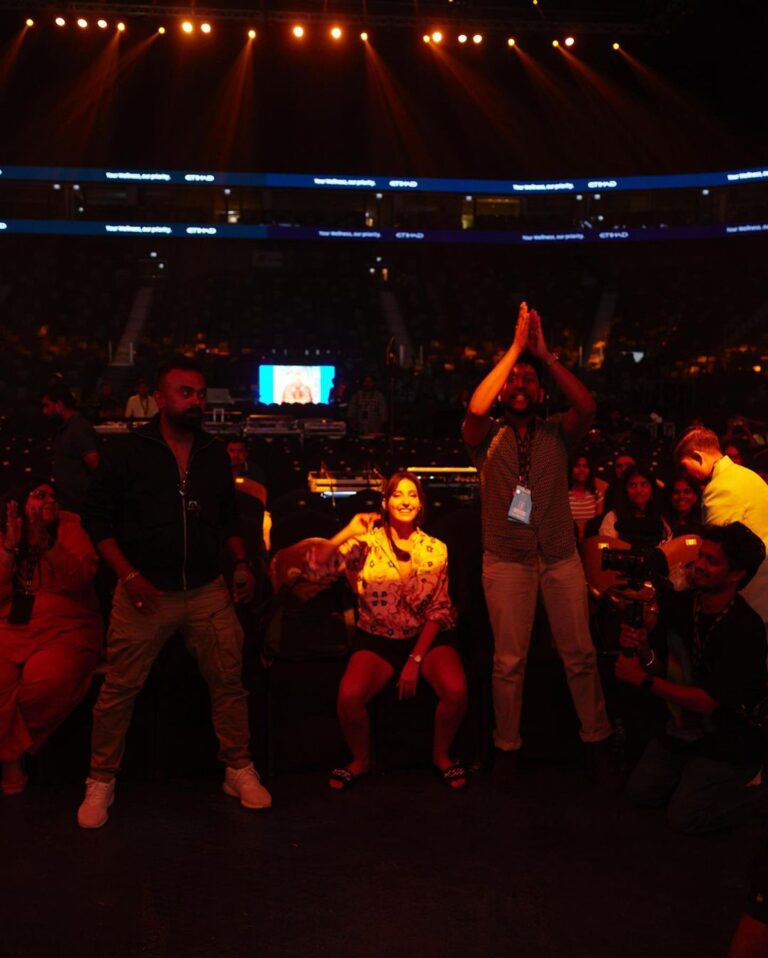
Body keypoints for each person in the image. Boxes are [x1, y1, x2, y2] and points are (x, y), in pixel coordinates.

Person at [77, 356, 270, 828]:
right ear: (160, 398)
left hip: (205, 589)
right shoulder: (128, 451)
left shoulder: (211, 453)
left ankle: (238, 766)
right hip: (146, 590)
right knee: (119, 689)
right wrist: (127, 576)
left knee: (228, 680)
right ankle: (101, 779)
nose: (196, 401)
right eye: (186, 393)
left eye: (201, 393)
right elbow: (96, 520)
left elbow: (227, 516)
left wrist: (241, 562)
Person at [462, 302, 611, 770]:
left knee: (581, 654)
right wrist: (514, 350)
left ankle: (597, 737)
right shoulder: (484, 436)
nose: (520, 385)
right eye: (514, 380)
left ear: (542, 393)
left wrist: (544, 357)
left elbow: (586, 405)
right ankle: (507, 746)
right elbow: (475, 406)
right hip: (507, 559)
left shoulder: (558, 434)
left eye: (529, 381)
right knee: (509, 662)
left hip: (561, 556)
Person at [308, 471, 468, 790]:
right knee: (349, 696)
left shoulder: (436, 549)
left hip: (426, 639)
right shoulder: (366, 544)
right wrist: (348, 531)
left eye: (412, 495)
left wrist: (416, 660)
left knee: (456, 691)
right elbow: (317, 566)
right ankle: (361, 759)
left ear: (421, 505)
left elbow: (439, 609)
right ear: (385, 502)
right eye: (398, 495)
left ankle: (441, 756)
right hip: (378, 637)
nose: (406, 501)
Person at [616, 522, 767, 834]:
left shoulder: (746, 629)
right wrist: (643, 651)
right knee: (640, 793)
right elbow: (660, 666)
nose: (698, 565)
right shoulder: (681, 605)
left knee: (685, 818)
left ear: (736, 574)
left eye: (711, 561)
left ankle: (757, 796)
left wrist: (642, 681)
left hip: (727, 738)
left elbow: (710, 702)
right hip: (682, 728)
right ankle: (693, 777)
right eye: (701, 556)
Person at [0, 480, 102, 795]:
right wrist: (8, 550)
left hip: (67, 628)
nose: (49, 501)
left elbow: (82, 577)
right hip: (10, 626)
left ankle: (9, 757)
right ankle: (11, 757)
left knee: (47, 683)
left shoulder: (70, 528)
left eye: (54, 497)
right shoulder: (7, 528)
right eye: (39, 495)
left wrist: (48, 545)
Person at [675, 427, 768, 625]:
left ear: (698, 457)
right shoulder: (749, 476)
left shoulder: (720, 487)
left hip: (747, 598)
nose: (685, 475)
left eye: (684, 467)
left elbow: (714, 557)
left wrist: (680, 580)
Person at [41, 384, 100, 514]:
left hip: (81, 505)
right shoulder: (66, 428)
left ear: (59, 405)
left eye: (47, 406)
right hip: (70, 502)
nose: (45, 411)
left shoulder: (79, 428)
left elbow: (96, 464)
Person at [598, 466, 672, 549]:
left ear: (651, 487)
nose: (639, 490)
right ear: (625, 490)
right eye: (633, 485)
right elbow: (606, 549)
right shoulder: (613, 517)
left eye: (644, 484)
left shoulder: (661, 515)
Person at [568, 453, 604, 543]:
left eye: (585, 466)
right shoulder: (563, 496)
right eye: (577, 466)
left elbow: (599, 523)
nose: (581, 470)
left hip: (591, 540)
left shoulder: (597, 495)